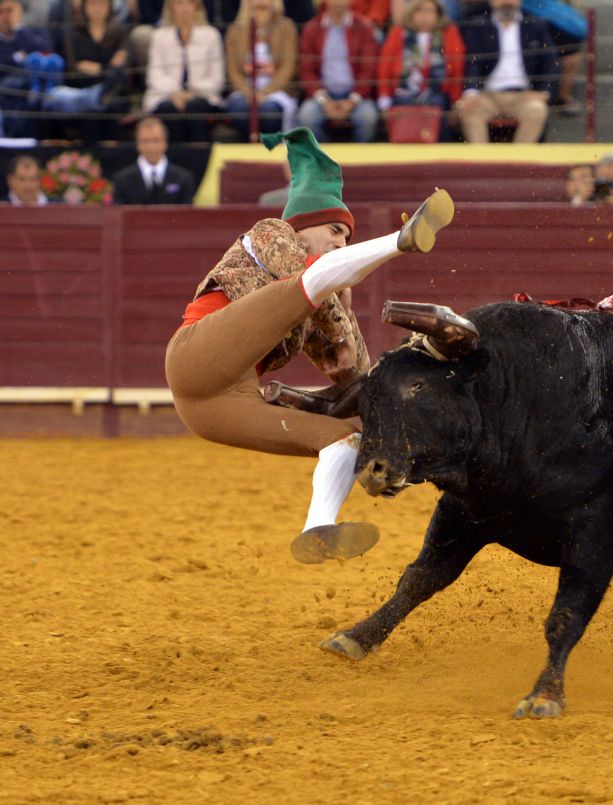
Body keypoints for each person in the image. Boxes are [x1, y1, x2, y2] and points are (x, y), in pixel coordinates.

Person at [164, 126, 455, 563]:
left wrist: (389, 442)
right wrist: (339, 295)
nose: (341, 242)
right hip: (196, 358)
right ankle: (401, 240)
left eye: (346, 240)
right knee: (305, 286)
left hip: (216, 408)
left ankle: (318, 528)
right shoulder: (272, 233)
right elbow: (307, 278)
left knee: (342, 437)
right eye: (336, 231)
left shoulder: (320, 293)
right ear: (304, 223)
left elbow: (351, 372)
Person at [457, 0, 558, 144]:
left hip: (523, 95)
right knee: (467, 109)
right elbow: (472, 62)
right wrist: (471, 91)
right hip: (488, 95)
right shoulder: (478, 25)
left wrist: (544, 91)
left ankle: (520, 163)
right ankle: (479, 162)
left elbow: (551, 61)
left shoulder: (535, 24)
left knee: (537, 110)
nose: (506, 2)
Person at [376, 0, 465, 141]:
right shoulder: (398, 33)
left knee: (439, 108)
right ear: (411, 13)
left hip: (438, 94)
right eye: (420, 10)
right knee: (402, 108)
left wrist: (456, 102)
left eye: (430, 11)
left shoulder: (449, 33)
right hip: (403, 93)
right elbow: (385, 68)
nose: (425, 15)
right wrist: (384, 99)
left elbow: (456, 69)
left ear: (438, 14)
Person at [40, 0, 128, 142]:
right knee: (59, 99)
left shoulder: (120, 33)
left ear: (109, 7)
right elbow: (73, 70)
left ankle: (97, 96)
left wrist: (97, 69)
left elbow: (120, 71)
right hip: (80, 91)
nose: (97, 8)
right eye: (93, 4)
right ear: (84, 7)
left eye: (101, 4)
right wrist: (107, 68)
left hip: (111, 93)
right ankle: (95, 96)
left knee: (109, 103)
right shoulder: (73, 34)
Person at [296, 0, 380, 143]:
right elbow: (307, 70)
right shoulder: (311, 28)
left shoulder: (364, 28)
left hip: (356, 96)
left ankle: (358, 160)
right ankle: (322, 159)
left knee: (367, 117)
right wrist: (324, 101)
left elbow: (368, 69)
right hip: (322, 96)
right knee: (307, 115)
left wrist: (352, 101)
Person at [143, 0, 226, 142]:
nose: (184, 9)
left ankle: (199, 157)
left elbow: (217, 79)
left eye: (189, 3)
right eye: (179, 3)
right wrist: (176, 93)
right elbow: (154, 76)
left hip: (203, 96)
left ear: (197, 7)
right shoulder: (159, 36)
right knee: (169, 109)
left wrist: (191, 92)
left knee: (194, 107)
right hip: (166, 96)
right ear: (171, 7)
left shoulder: (211, 35)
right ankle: (175, 157)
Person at [224, 0, 298, 139]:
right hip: (244, 90)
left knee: (269, 111)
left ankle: (269, 149)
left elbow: (288, 67)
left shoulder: (286, 27)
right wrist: (248, 92)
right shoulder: (235, 30)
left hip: (276, 91)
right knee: (240, 109)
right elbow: (233, 70)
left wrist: (265, 92)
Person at [0, 0, 54, 138]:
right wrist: (19, 57)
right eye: (2, 12)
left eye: (10, 11)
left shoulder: (30, 30)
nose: (6, 16)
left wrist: (18, 27)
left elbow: (45, 50)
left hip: (37, 88)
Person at [112, 116, 197, 204]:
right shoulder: (122, 180)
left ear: (165, 143)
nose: (151, 146)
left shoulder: (184, 179)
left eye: (156, 140)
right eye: (145, 141)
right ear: (137, 144)